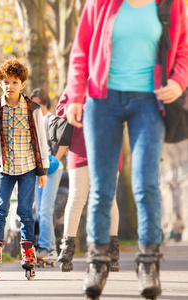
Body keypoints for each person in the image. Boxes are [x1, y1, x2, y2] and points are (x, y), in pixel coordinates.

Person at [61, 0, 188, 298]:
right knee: (102, 187)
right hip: (102, 101)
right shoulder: (100, 3)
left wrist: (179, 82)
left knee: (146, 185)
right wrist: (75, 95)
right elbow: (80, 51)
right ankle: (97, 262)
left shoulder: (171, 4)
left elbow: (183, 49)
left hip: (149, 101)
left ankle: (148, 264)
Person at [0, 58, 49, 280]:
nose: (9, 86)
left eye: (14, 82)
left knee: (25, 211)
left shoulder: (32, 108)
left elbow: (41, 139)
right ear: (0, 83)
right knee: (0, 209)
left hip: (28, 166)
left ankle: (28, 253)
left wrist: (43, 170)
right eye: (6, 81)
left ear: (22, 84)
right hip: (4, 167)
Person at [55, 96, 121, 273]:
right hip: (80, 147)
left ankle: (112, 253)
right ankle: (67, 250)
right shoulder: (77, 80)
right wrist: (81, 108)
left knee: (109, 199)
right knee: (76, 197)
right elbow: (60, 109)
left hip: (109, 147)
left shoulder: (114, 78)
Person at [29, 88, 68, 265]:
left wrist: (56, 160)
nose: (36, 106)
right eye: (33, 102)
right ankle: (50, 249)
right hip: (38, 169)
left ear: (45, 104)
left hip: (52, 168)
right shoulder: (32, 121)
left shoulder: (51, 119)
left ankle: (45, 248)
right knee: (39, 210)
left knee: (45, 210)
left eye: (39, 102)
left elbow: (65, 140)